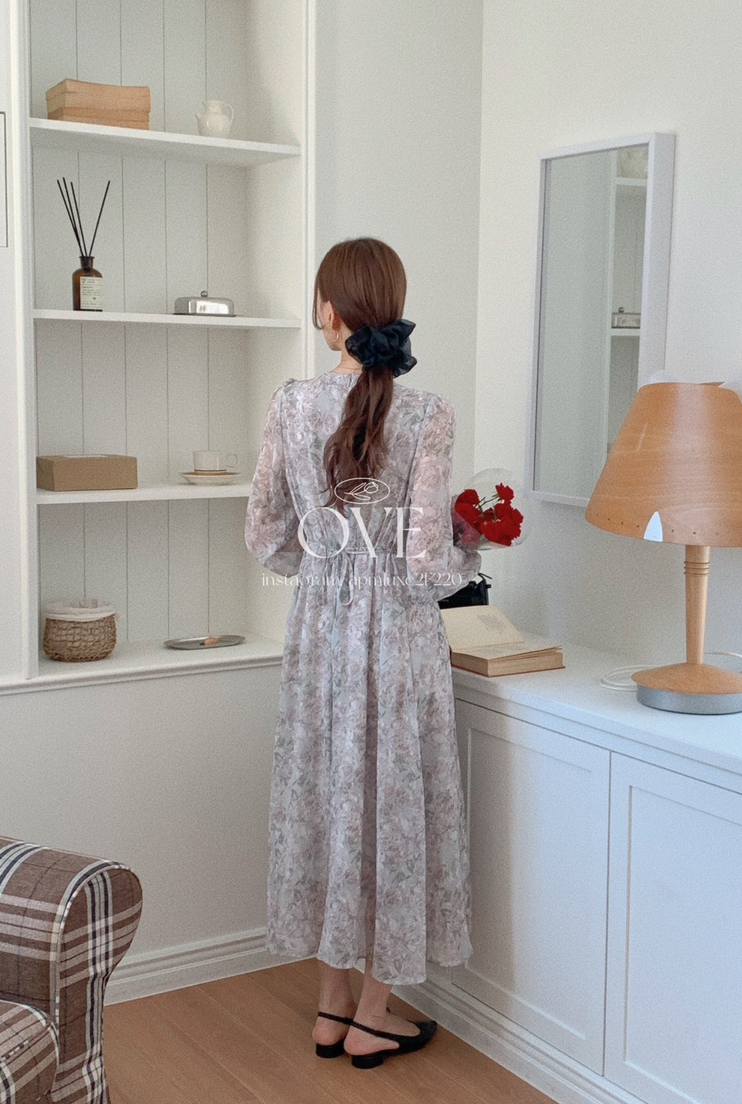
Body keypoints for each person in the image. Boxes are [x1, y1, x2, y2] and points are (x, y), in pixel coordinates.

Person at [244, 237, 481, 1068]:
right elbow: (425, 565)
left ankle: (332, 1005)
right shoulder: (428, 414)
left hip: (319, 637)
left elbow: (264, 536)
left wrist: (324, 570)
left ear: (327, 311)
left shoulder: (289, 404)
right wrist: (471, 551)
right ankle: (374, 1014)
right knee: (390, 810)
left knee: (327, 800)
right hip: (399, 643)